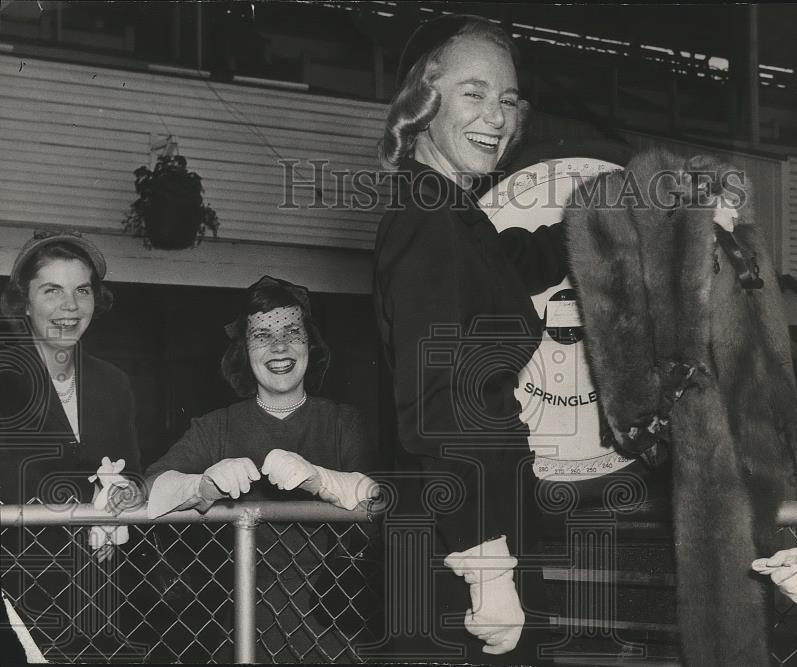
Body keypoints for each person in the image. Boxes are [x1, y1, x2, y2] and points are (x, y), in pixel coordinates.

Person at [372, 14, 566, 664]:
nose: (498, 117)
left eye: (508, 100)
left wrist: (621, 216)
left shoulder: (455, 215)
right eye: (474, 93)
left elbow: (514, 266)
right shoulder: (431, 222)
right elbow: (436, 400)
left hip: (472, 530)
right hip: (460, 552)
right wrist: (487, 570)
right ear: (423, 101)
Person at [144, 275, 378, 663]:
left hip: (335, 621)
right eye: (262, 335)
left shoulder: (344, 422)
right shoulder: (216, 426)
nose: (280, 346)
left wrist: (320, 479)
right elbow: (151, 486)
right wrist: (203, 486)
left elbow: (379, 500)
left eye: (292, 331)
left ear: (311, 343)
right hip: (246, 627)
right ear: (243, 350)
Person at [0, 230, 145, 662]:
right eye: (52, 290)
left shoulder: (113, 383)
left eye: (82, 290)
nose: (70, 306)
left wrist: (128, 491)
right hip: (14, 595)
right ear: (24, 303)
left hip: (98, 595)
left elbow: (135, 473)